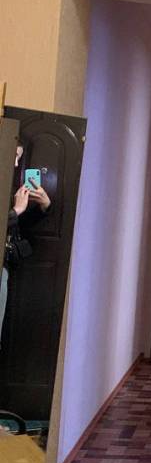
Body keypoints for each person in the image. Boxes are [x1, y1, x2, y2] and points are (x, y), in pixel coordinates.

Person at [1, 146, 51, 347]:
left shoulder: (7, 183)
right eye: (14, 156)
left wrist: (44, 206)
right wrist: (15, 211)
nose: (16, 164)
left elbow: (19, 224)